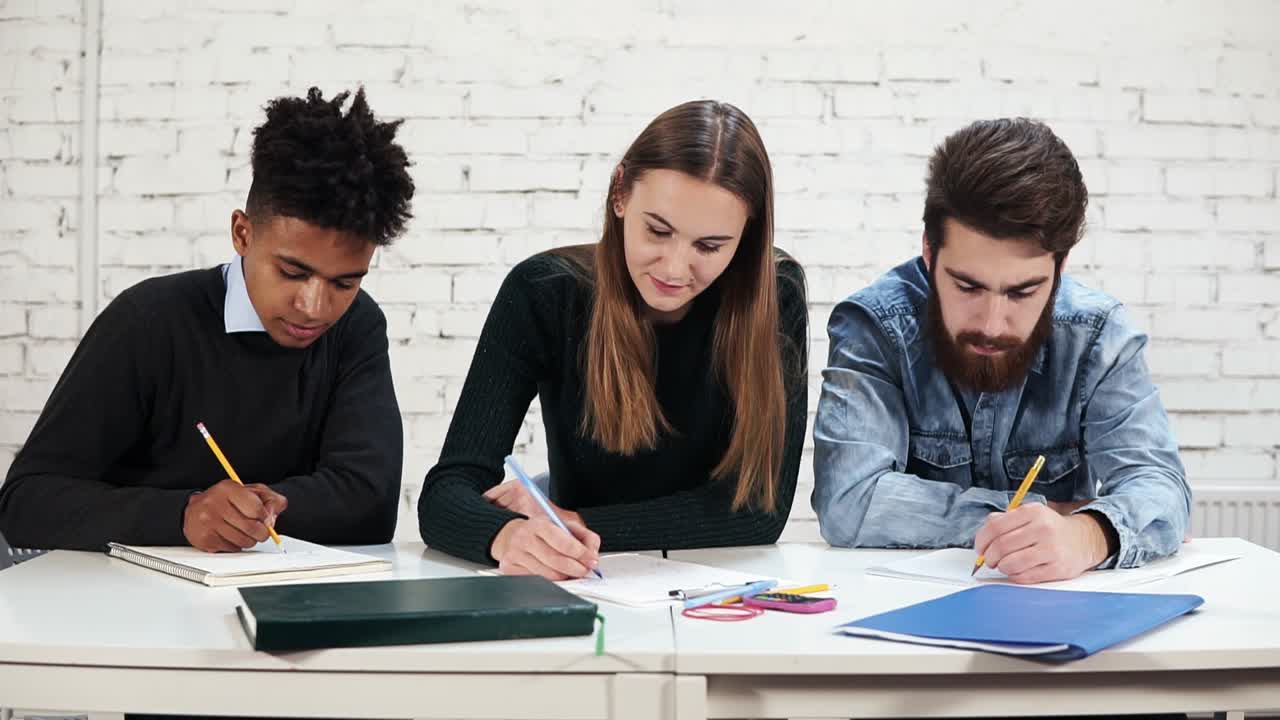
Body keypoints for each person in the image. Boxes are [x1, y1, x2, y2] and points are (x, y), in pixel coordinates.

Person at [0, 87, 415, 553]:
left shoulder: (357, 326)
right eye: (292, 272)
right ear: (242, 233)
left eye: (345, 283)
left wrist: (259, 511)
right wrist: (182, 515)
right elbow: (25, 504)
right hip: (129, 593)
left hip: (281, 591)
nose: (315, 307)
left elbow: (371, 505)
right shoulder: (148, 321)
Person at [418, 100, 809, 579]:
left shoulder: (775, 296)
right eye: (657, 231)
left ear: (746, 234)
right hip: (587, 579)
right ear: (620, 193)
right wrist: (508, 536)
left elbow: (759, 511)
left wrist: (578, 522)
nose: (674, 268)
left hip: (716, 582)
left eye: (709, 246)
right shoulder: (544, 292)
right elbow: (445, 494)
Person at [813, 118, 1190, 584]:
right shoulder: (875, 326)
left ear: (1060, 267)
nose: (992, 324)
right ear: (929, 252)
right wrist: (1051, 513)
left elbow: (1162, 490)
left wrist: (1088, 535)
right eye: (967, 286)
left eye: (1022, 292)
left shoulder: (1098, 336)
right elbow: (848, 503)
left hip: (1053, 607)